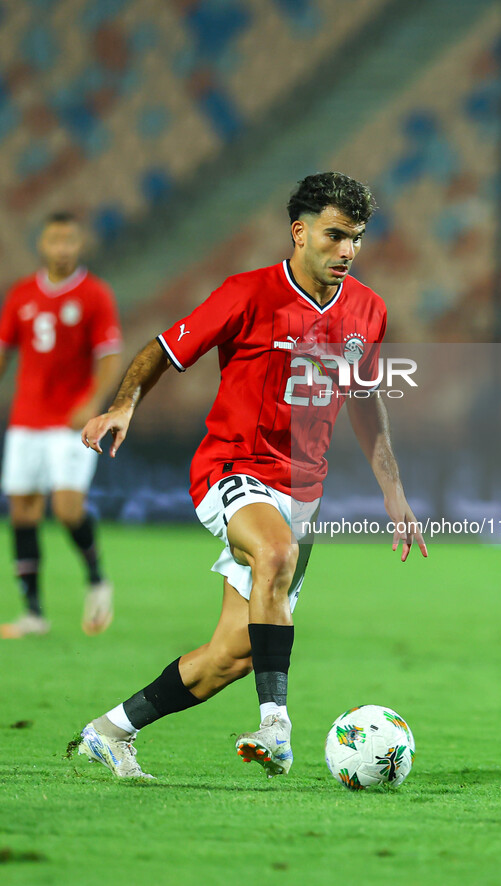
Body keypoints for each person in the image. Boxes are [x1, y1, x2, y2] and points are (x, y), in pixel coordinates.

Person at [74, 172, 427, 780]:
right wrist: (125, 402)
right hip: (231, 469)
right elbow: (161, 349)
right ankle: (277, 727)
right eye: (335, 236)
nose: (347, 251)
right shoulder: (247, 294)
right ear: (300, 232)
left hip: (303, 492)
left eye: (357, 239)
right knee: (276, 552)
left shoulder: (369, 310)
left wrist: (393, 489)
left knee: (232, 654)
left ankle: (109, 731)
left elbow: (366, 400)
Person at [0, 212, 122, 638]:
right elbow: (4, 352)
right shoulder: (20, 295)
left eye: (70, 240)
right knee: (23, 511)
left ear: (79, 244)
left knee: (67, 508)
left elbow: (109, 357)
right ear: (43, 244)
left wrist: (91, 401)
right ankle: (33, 613)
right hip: (25, 420)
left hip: (70, 422)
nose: (63, 248)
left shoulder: (94, 294)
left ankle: (97, 579)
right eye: (55, 240)